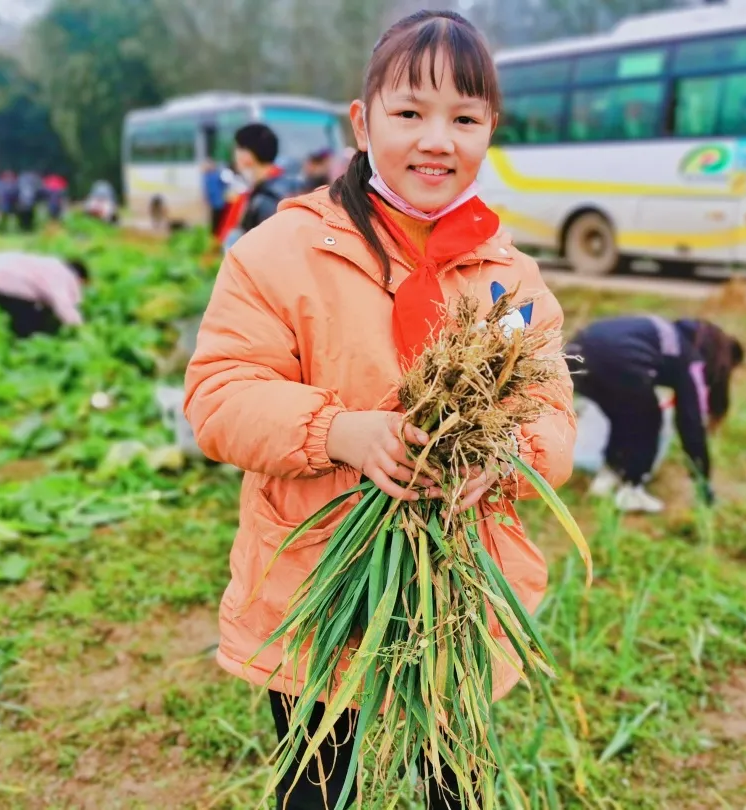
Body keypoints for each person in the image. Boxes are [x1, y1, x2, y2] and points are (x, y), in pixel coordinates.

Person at [183, 11, 574, 809]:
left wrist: (503, 457)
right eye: (410, 112)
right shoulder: (280, 253)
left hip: (456, 591)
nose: (437, 140)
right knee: (318, 781)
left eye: (464, 119)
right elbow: (219, 395)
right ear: (362, 124)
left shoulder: (512, 281)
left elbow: (550, 415)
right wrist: (342, 433)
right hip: (317, 581)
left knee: (456, 778)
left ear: (490, 131)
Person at [566, 316, 745, 513]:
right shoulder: (692, 359)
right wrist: (703, 481)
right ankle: (631, 488)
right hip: (619, 361)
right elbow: (690, 423)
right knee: (648, 418)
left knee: (623, 415)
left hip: (575, 355)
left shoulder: (670, 337)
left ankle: (608, 477)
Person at [0, 252, 89, 338]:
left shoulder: (50, 265)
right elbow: (63, 305)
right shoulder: (62, 274)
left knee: (26, 311)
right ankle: (21, 344)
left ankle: (14, 338)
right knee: (27, 316)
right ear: (79, 278)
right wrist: (81, 329)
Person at [232, 122, 294, 236]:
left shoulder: (266, 198)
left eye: (237, 149)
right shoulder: (283, 187)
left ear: (247, 154)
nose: (234, 156)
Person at [201, 157, 229, 236]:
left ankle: (219, 234)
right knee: (214, 220)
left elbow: (225, 185)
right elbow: (206, 190)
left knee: (219, 220)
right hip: (213, 202)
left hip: (219, 202)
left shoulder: (217, 175)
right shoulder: (206, 176)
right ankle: (215, 235)